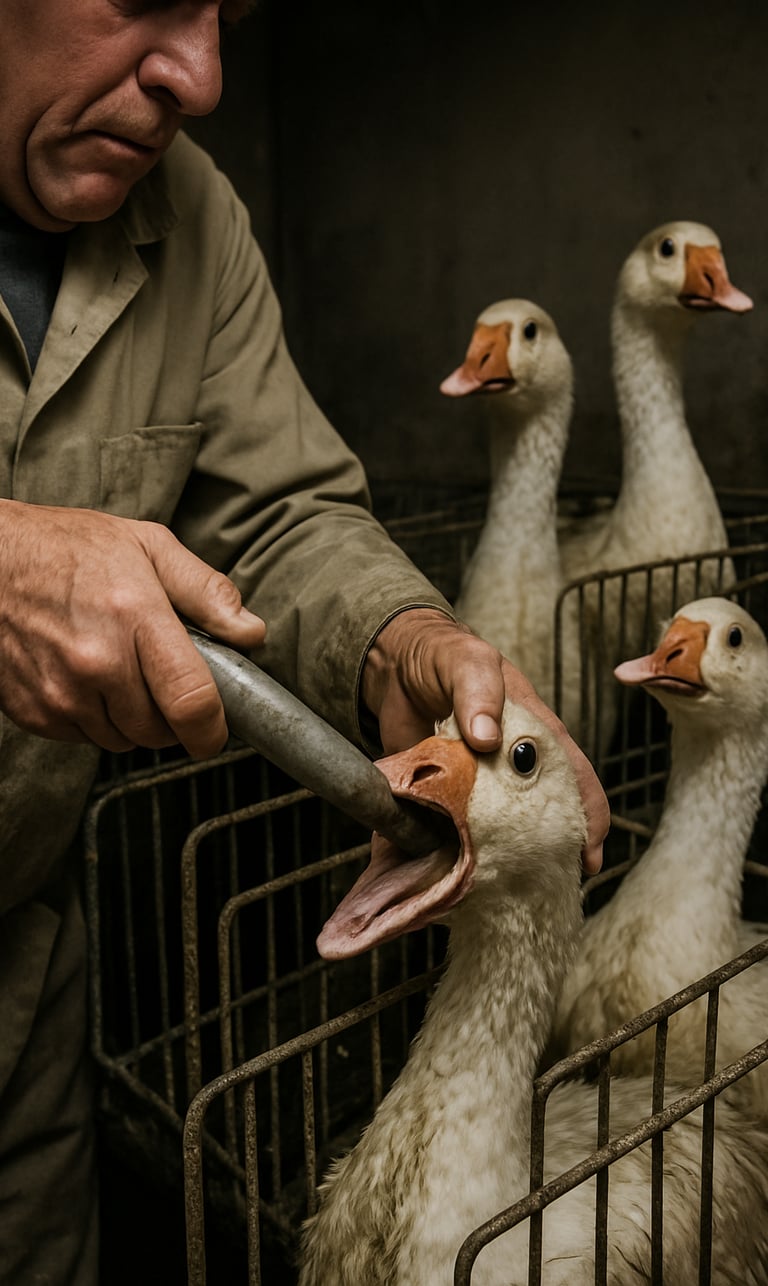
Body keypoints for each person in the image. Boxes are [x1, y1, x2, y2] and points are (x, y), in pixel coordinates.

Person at [0, 2, 609, 1282]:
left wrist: (400, 634)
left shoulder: (192, 212)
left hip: (22, 994)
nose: (204, 77)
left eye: (228, 11)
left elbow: (275, 511)